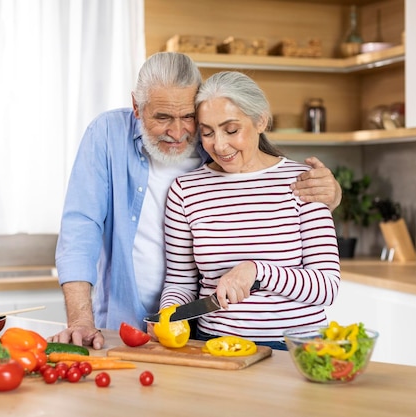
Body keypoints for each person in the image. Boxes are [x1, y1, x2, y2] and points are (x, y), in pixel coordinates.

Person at [50, 52, 341, 349]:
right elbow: (81, 228)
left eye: (189, 118)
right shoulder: (123, 145)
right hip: (172, 330)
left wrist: (257, 270)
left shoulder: (298, 180)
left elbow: (327, 284)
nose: (178, 133)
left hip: (288, 343)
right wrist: (83, 320)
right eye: (163, 117)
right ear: (137, 107)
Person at [159, 71, 341, 350]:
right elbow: (180, 282)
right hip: (215, 346)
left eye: (231, 130)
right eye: (207, 132)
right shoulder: (186, 190)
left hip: (297, 348)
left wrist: (256, 271)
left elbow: (326, 287)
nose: (219, 145)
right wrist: (169, 314)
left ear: (261, 121)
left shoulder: (304, 182)